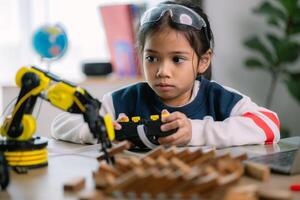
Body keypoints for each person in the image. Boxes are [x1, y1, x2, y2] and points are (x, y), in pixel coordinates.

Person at [51, 0, 280, 148]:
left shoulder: (217, 97)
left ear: (203, 61)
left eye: (177, 59)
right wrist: (103, 129)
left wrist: (196, 132)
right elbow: (60, 123)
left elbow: (270, 124)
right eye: (152, 58)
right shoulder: (125, 99)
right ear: (140, 56)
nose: (162, 71)